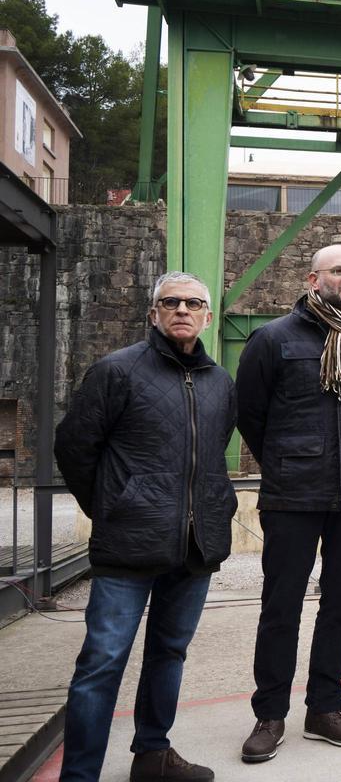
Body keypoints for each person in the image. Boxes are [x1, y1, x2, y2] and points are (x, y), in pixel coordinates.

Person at [54, 272, 236, 782]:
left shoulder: (219, 382)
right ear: (154, 313)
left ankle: (152, 753)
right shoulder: (116, 371)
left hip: (195, 549)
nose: (182, 309)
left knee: (169, 653)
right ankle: (80, 775)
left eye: (193, 302)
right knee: (102, 663)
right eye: (170, 302)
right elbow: (74, 448)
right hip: (128, 549)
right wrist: (113, 507)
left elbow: (215, 452)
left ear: (207, 315)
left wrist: (216, 507)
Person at [237, 244, 341, 762]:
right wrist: (291, 461)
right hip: (293, 493)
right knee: (281, 605)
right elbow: (251, 415)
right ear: (314, 279)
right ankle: (270, 714)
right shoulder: (273, 339)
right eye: (339, 270)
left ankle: (324, 708)